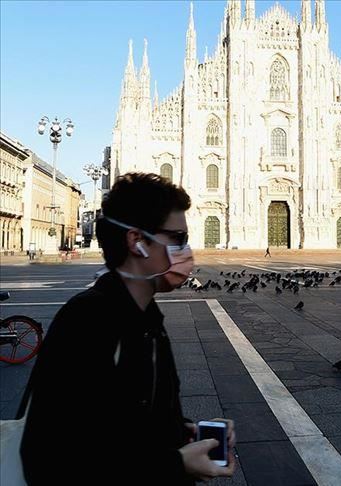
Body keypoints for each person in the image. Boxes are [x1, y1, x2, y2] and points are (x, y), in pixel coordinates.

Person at [19, 173, 236, 485]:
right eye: (177, 239)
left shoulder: (149, 320)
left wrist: (181, 433)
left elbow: (123, 427)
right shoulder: (87, 321)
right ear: (137, 242)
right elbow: (49, 460)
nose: (186, 252)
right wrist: (174, 463)